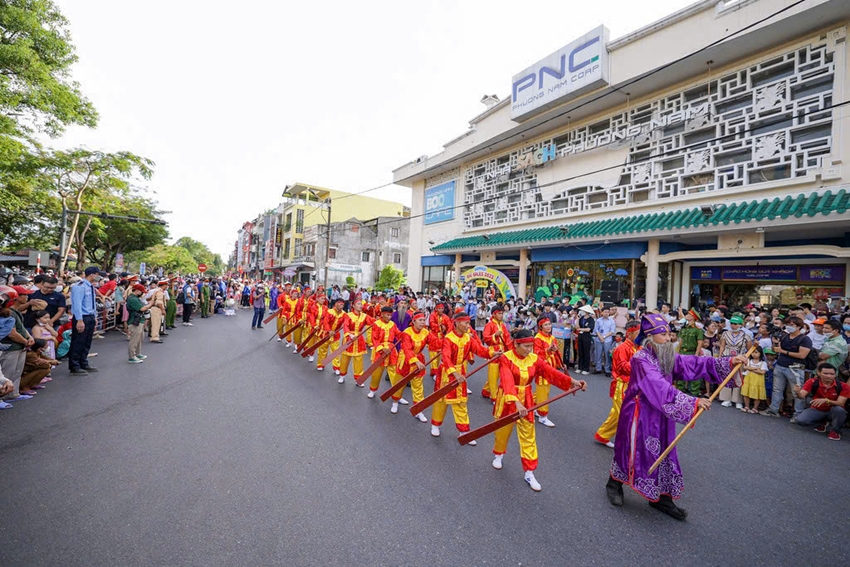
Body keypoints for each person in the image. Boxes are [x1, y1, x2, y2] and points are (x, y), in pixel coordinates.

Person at [606, 313, 747, 520]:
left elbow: (692, 363)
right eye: (663, 335)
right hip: (640, 412)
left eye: (669, 334)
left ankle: (662, 498)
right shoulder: (640, 359)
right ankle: (614, 483)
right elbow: (657, 385)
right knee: (631, 450)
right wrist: (692, 402)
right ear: (650, 336)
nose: (669, 338)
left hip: (662, 411)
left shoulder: (667, 355)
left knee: (665, 451)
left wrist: (729, 361)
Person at [491, 329, 585, 492]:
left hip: (527, 398)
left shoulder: (534, 359)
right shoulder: (506, 358)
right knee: (502, 431)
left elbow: (550, 372)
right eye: (526, 346)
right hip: (507, 398)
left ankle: (529, 472)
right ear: (516, 344)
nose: (529, 349)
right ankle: (498, 454)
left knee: (528, 435)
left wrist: (572, 381)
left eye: (531, 346)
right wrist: (515, 402)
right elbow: (506, 380)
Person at [430, 312, 493, 441]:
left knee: (460, 402)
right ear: (457, 323)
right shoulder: (449, 338)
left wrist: (492, 353)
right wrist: (454, 373)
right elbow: (446, 358)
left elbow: (479, 349)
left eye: (469, 323)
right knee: (441, 401)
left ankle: (464, 431)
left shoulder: (468, 338)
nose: (468, 326)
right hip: (446, 373)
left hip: (460, 372)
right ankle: (435, 425)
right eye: (466, 323)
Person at [595, 320, 641, 448]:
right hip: (622, 385)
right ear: (629, 334)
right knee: (624, 413)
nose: (641, 336)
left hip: (634, 385)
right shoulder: (622, 348)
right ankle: (625, 442)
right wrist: (639, 363)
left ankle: (603, 435)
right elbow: (622, 367)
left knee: (619, 413)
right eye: (638, 333)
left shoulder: (639, 348)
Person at [760, 316, 812, 420]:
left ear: (799, 326)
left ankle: (798, 414)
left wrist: (783, 351)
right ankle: (773, 410)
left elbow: (802, 355)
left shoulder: (805, 339)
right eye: (787, 324)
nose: (789, 327)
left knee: (797, 392)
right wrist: (775, 343)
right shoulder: (784, 336)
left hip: (795, 368)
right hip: (780, 365)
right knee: (777, 389)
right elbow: (775, 350)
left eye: (792, 325)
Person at [393, 311, 440, 419]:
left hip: (419, 360)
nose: (423, 322)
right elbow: (407, 349)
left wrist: (446, 342)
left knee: (418, 386)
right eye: (420, 320)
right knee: (400, 383)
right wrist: (415, 361)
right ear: (413, 321)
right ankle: (395, 401)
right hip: (405, 360)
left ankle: (418, 410)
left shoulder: (426, 332)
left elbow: (435, 342)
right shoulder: (407, 332)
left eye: (424, 320)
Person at [791, 363, 848, 440]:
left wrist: (826, 401)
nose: (829, 376)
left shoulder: (843, 386)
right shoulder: (812, 382)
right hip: (818, 409)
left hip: (833, 410)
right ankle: (822, 422)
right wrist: (797, 392)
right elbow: (801, 396)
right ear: (819, 373)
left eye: (832, 374)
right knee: (800, 420)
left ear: (835, 374)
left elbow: (841, 403)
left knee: (839, 410)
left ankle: (835, 431)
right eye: (826, 373)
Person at [69, 267, 101, 375]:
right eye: (97, 274)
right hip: (82, 317)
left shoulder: (90, 286)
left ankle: (83, 362)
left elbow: (92, 303)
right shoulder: (79, 286)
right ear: (92, 274)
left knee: (87, 342)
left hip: (90, 316)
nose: (98, 277)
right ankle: (74, 366)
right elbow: (77, 304)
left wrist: (94, 316)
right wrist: (79, 320)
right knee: (78, 342)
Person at [533, 315, 562, 427]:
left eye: (549, 324)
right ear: (540, 326)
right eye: (545, 325)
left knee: (544, 391)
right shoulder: (537, 338)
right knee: (543, 392)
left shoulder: (552, 338)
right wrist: (548, 350)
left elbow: (557, 352)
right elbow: (537, 355)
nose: (548, 326)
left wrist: (560, 363)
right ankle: (543, 416)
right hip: (542, 368)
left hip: (550, 368)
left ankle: (531, 405)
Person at [717, 315, 751, 409]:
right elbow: (722, 346)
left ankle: (737, 400)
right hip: (727, 356)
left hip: (740, 358)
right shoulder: (725, 333)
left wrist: (746, 359)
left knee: (738, 378)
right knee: (726, 377)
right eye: (732, 323)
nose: (733, 325)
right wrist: (720, 356)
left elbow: (749, 349)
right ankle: (726, 398)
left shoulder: (746, 336)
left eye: (735, 324)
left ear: (740, 325)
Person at [366, 306, 400, 398]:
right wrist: (381, 348)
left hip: (391, 350)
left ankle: (397, 394)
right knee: (377, 373)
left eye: (390, 315)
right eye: (387, 315)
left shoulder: (393, 324)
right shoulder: (376, 324)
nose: (389, 317)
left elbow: (398, 334)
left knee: (394, 373)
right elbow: (374, 338)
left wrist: (405, 335)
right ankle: (372, 390)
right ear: (382, 314)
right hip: (379, 351)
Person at [338, 299, 374, 385]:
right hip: (349, 339)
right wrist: (350, 335)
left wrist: (380, 320)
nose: (360, 305)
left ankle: (359, 379)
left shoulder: (364, 316)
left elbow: (373, 322)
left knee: (359, 361)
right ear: (353, 306)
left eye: (361, 304)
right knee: (345, 359)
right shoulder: (348, 315)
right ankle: (342, 376)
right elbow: (346, 326)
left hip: (359, 340)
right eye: (358, 304)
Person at [482, 304, 512, 401]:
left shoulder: (502, 325)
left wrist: (510, 350)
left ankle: (486, 390)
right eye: (499, 313)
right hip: (493, 351)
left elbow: (507, 338)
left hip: (502, 351)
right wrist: (495, 335)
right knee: (493, 375)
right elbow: (486, 338)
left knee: (497, 374)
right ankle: (494, 396)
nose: (501, 315)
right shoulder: (489, 325)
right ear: (494, 314)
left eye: (502, 313)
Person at [675, 308, 705, 397]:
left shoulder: (698, 330)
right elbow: (681, 341)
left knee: (694, 372)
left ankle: (694, 391)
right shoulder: (684, 328)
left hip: (692, 352)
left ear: (693, 317)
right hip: (682, 352)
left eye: (689, 314)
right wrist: (677, 351)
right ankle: (680, 389)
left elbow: (700, 343)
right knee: (681, 371)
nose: (687, 315)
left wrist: (696, 354)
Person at [320, 298, 347, 374]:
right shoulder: (329, 312)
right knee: (323, 350)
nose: (342, 306)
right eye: (340, 304)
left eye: (343, 305)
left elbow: (347, 322)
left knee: (336, 352)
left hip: (335, 335)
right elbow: (325, 322)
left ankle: (336, 367)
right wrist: (329, 331)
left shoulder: (344, 314)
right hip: (326, 334)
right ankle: (321, 365)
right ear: (336, 304)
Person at [126, 283, 152, 364]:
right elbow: (142, 308)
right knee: (134, 340)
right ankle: (132, 356)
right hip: (134, 321)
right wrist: (150, 304)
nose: (142, 293)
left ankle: (137, 353)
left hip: (139, 320)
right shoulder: (132, 299)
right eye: (141, 291)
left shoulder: (135, 298)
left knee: (140, 338)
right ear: (137, 290)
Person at [428, 302, 452, 378]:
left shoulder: (446, 317)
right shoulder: (432, 315)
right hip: (433, 337)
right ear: (436, 308)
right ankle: (434, 372)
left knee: (439, 355)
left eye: (442, 308)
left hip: (442, 338)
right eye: (439, 308)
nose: (441, 310)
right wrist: (441, 326)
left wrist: (447, 334)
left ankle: (436, 371)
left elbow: (450, 327)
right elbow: (432, 325)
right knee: (433, 356)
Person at [740, 346, 767, 414]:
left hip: (758, 381)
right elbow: (745, 367)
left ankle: (755, 408)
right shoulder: (749, 361)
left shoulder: (763, 363)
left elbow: (762, 372)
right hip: (749, 379)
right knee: (746, 393)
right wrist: (755, 369)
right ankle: (747, 406)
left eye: (756, 352)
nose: (754, 354)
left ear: (760, 353)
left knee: (757, 394)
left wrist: (750, 369)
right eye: (752, 352)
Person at [593, 306, 616, 377]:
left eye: (608, 312)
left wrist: (604, 337)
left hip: (607, 340)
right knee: (598, 354)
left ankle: (607, 369)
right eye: (605, 312)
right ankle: (598, 368)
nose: (606, 313)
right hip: (598, 339)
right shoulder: (598, 320)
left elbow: (612, 331)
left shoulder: (612, 321)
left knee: (607, 355)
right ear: (602, 312)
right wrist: (600, 336)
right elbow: (596, 330)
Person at [576, 305, 595, 375]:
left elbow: (588, 329)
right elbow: (577, 327)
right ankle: (580, 367)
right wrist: (577, 319)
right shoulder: (581, 318)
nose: (582, 312)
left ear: (586, 312)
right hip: (580, 336)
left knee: (586, 352)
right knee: (580, 352)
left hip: (587, 336)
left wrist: (581, 329)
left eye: (583, 311)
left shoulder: (591, 319)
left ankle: (586, 369)